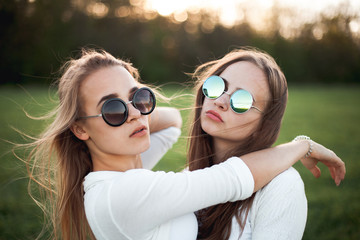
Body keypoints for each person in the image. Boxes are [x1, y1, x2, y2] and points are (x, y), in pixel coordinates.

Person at [22, 48, 345, 240]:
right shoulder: (126, 192)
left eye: (140, 97)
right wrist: (302, 145)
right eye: (113, 108)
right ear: (79, 128)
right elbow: (233, 178)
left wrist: (127, 113)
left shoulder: (279, 183)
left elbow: (173, 122)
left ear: (267, 119)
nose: (219, 101)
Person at [187, 48, 344, 240]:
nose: (220, 101)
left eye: (242, 100)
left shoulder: (282, 186)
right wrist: (303, 146)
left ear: (264, 125)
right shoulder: (186, 177)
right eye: (217, 85)